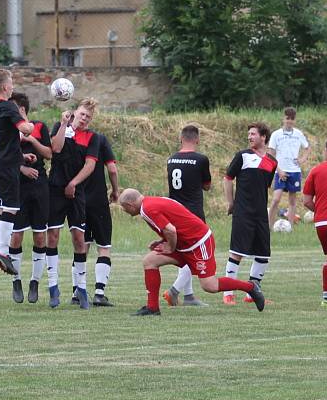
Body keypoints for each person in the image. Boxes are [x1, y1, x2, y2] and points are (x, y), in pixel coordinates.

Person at [118, 188, 265, 316]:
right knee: (150, 261)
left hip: (198, 243)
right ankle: (152, 308)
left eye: (123, 208)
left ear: (130, 205)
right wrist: (162, 242)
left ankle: (251, 287)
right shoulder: (151, 202)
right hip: (184, 244)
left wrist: (169, 246)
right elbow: (174, 225)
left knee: (209, 286)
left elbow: (171, 230)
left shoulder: (147, 209)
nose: (124, 211)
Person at [46, 98, 100, 309]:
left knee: (79, 238)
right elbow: (55, 150)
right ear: (75, 112)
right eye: (82, 114)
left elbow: (90, 165)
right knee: (53, 235)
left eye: (88, 116)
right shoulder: (60, 127)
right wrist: (62, 124)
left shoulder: (92, 137)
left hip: (76, 192)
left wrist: (74, 183)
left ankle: (81, 288)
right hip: (55, 190)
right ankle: (53, 287)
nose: (84, 119)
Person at [222, 123, 277, 306]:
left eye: (253, 134)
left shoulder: (271, 162)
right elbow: (228, 178)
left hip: (260, 214)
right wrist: (231, 202)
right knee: (236, 253)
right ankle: (228, 294)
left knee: (263, 255)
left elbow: (265, 186)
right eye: (249, 134)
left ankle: (252, 293)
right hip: (242, 212)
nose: (249, 137)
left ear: (263, 137)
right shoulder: (242, 156)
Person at [0, 69, 34, 276]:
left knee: (1, 208)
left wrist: (20, 156)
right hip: (6, 166)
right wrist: (28, 122)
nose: (13, 87)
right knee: (11, 208)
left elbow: (6, 138)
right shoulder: (8, 106)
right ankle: (2, 251)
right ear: (6, 87)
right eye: (12, 83)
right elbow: (25, 129)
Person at [7, 92, 51, 304]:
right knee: (16, 237)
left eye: (13, 108)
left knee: (40, 237)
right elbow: (2, 159)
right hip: (17, 187)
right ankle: (16, 280)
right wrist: (22, 168)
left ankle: (35, 282)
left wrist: (32, 138)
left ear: (22, 109)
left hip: (40, 187)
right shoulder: (7, 130)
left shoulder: (39, 126)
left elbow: (49, 154)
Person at [162, 125, 211, 307]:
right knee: (194, 255)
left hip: (174, 211)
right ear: (197, 140)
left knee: (185, 253)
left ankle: (189, 296)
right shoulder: (201, 159)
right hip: (193, 213)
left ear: (180, 138)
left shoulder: (171, 159)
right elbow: (206, 185)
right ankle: (174, 291)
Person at [81, 130, 120, 307]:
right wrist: (115, 190)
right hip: (98, 200)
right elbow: (112, 169)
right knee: (103, 247)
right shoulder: (101, 139)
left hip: (79, 199)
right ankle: (99, 293)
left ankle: (77, 291)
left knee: (81, 246)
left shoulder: (72, 139)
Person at [268, 107, 310, 227]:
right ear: (283, 119)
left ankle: (290, 227)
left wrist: (302, 159)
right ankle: (269, 227)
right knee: (276, 199)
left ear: (294, 120)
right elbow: (270, 154)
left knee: (292, 201)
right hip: (280, 171)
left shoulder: (298, 134)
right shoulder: (276, 134)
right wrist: (279, 170)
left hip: (294, 171)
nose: (289, 121)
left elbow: (307, 148)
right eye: (287, 118)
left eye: (292, 119)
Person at [302, 139, 327, 308]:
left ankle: (326, 297)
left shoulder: (316, 171)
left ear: (326, 150)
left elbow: (306, 201)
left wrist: (318, 210)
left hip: (322, 222)